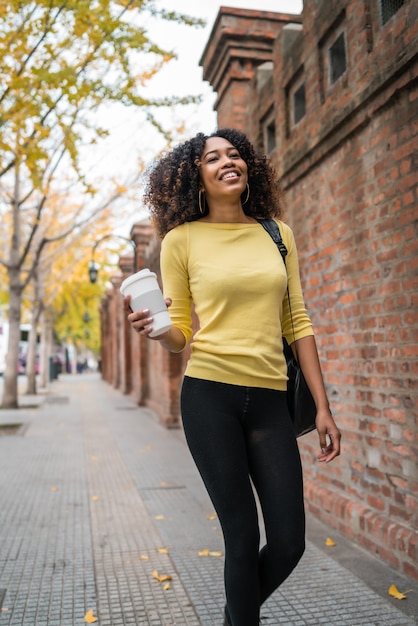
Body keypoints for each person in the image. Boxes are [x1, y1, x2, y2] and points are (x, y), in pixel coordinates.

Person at [124, 128, 341, 626]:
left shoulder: (276, 234)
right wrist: (158, 332)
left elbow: (298, 322)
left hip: (269, 401)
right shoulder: (180, 241)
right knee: (241, 536)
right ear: (195, 176)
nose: (228, 161)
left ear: (248, 169)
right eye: (212, 157)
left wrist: (323, 407)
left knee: (288, 540)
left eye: (235, 154)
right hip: (209, 397)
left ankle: (233, 619)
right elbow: (180, 333)